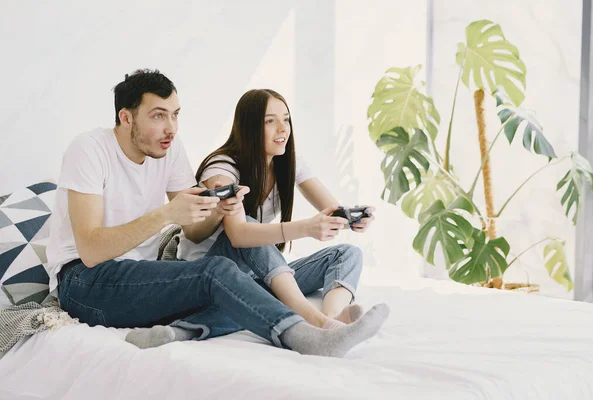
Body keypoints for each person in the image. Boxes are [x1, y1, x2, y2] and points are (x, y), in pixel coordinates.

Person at [45, 69, 389, 357]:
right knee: (218, 273)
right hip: (85, 283)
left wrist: (218, 209)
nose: (171, 127)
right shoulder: (89, 150)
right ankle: (307, 336)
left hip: (146, 272)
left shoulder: (170, 149)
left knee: (239, 283)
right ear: (125, 117)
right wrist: (167, 214)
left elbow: (195, 232)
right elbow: (90, 252)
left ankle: (185, 331)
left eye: (175, 114)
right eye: (158, 116)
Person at [178, 89, 377, 330]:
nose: (283, 128)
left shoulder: (287, 161)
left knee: (347, 254)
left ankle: (334, 318)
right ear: (249, 127)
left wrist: (353, 218)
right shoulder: (222, 169)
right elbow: (239, 235)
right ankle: (315, 322)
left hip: (254, 275)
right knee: (252, 226)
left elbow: (331, 209)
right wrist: (306, 228)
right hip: (211, 275)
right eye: (270, 121)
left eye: (286, 119)